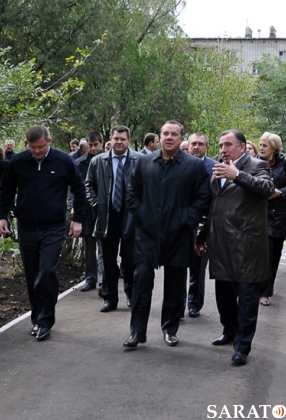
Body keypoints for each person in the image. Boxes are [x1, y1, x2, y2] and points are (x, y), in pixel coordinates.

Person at [123, 121, 211, 348]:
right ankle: (137, 332)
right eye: (165, 133)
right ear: (160, 137)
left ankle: (170, 329)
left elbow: (202, 198)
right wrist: (143, 215)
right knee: (141, 280)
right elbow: (132, 193)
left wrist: (185, 219)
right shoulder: (144, 162)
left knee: (175, 285)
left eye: (174, 134)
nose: (169, 137)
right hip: (147, 233)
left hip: (179, 234)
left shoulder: (193, 166)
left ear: (181, 139)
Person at [0, 125, 86, 341]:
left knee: (46, 271)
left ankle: (45, 320)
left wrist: (77, 220)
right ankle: (37, 318)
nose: (36, 151)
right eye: (32, 147)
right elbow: (6, 189)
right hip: (27, 226)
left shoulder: (63, 161)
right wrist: (1, 216)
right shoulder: (19, 161)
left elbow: (79, 189)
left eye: (41, 147)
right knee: (32, 275)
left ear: (49, 141)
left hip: (53, 227)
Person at [196, 129, 274, 366]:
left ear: (242, 147)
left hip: (247, 246)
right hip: (221, 245)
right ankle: (229, 331)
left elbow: (266, 189)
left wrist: (237, 175)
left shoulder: (257, 166)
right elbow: (212, 206)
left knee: (247, 299)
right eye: (221, 145)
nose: (223, 149)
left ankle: (242, 347)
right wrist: (202, 234)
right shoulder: (217, 170)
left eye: (228, 144)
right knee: (224, 297)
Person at [86, 125, 141, 313]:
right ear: (110, 139)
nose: (119, 142)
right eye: (116, 138)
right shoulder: (98, 161)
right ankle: (110, 299)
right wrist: (96, 204)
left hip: (130, 217)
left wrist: (140, 210)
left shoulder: (139, 160)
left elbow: (147, 186)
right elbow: (89, 185)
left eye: (122, 139)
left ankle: (131, 295)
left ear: (129, 140)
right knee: (108, 262)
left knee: (130, 261)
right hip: (106, 218)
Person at [257, 132, 286, 306]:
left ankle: (268, 286)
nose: (261, 148)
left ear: (274, 148)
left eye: (265, 145)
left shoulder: (285, 163)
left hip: (280, 216)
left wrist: (280, 193)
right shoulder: (255, 163)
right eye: (260, 145)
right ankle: (263, 291)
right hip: (260, 215)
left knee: (274, 255)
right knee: (264, 255)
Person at [186, 132, 218, 318]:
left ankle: (194, 303)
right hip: (181, 225)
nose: (196, 147)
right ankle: (177, 304)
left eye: (200, 144)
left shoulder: (215, 168)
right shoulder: (178, 164)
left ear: (207, 147)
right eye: (193, 144)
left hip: (204, 225)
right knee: (177, 267)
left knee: (198, 268)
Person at [76, 131, 104, 293]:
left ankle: (104, 279)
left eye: (96, 145)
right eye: (90, 145)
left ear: (102, 143)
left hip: (104, 208)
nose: (93, 148)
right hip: (86, 208)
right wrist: (74, 206)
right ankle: (90, 278)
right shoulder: (80, 163)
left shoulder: (107, 160)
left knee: (104, 245)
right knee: (89, 244)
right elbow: (76, 187)